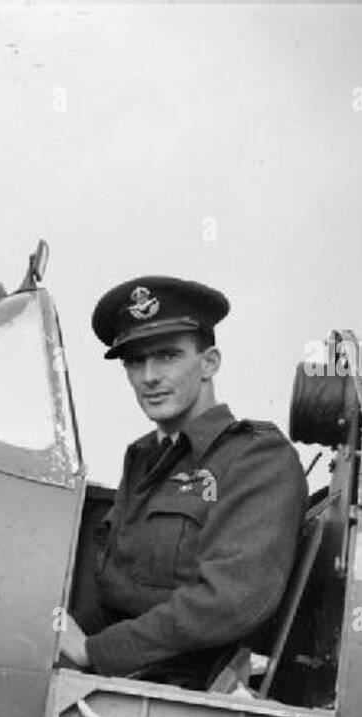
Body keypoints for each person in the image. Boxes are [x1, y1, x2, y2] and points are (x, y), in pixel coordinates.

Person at [58, 276, 307, 689]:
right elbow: (116, 588)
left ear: (209, 362)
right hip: (122, 679)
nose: (149, 376)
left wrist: (96, 652)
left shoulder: (256, 459)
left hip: (179, 692)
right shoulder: (142, 457)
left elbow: (231, 599)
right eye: (135, 362)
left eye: (168, 356)